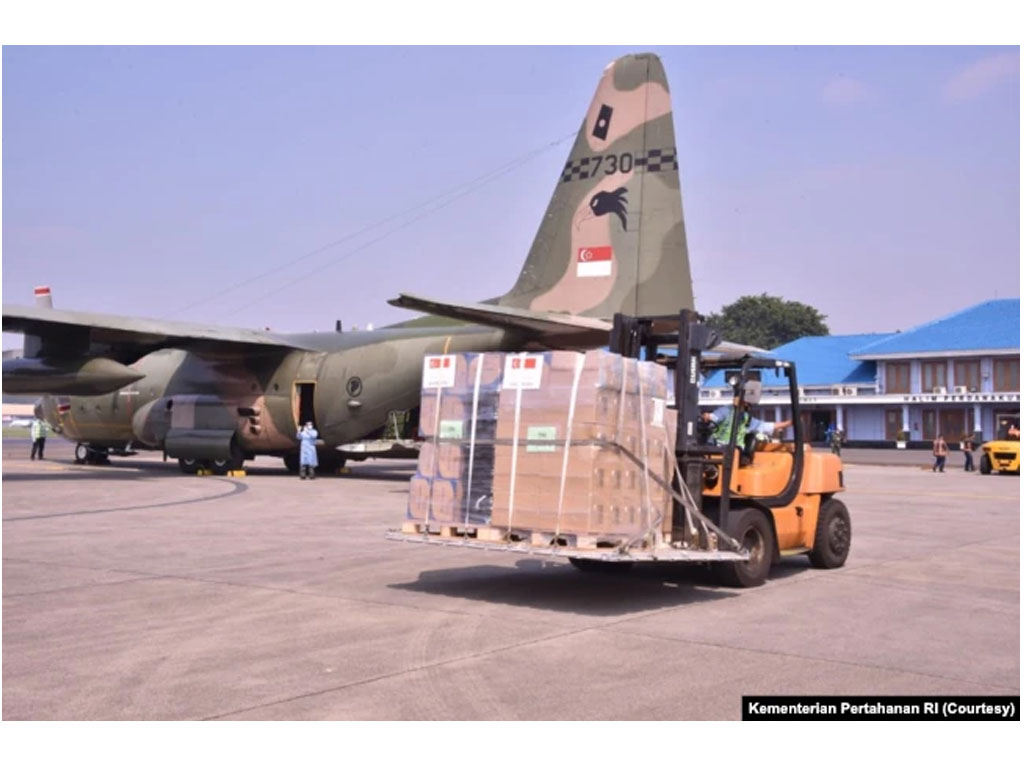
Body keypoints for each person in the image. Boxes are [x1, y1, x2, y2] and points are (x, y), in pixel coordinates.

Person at [701, 403, 792, 454]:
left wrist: (787, 423)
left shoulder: (746, 418)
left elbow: (764, 426)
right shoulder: (725, 411)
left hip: (735, 452)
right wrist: (707, 417)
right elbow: (714, 417)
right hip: (717, 449)